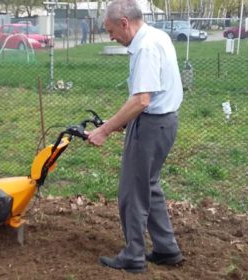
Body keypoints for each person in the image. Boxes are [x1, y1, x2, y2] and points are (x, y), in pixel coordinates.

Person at [86, 0, 184, 274]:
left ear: (124, 23)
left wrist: (104, 131)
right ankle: (166, 249)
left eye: (111, 30)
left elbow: (142, 99)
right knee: (149, 187)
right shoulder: (157, 36)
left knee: (132, 193)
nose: (111, 37)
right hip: (161, 122)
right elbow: (145, 98)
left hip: (152, 126)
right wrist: (117, 123)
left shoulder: (145, 47)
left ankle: (133, 256)